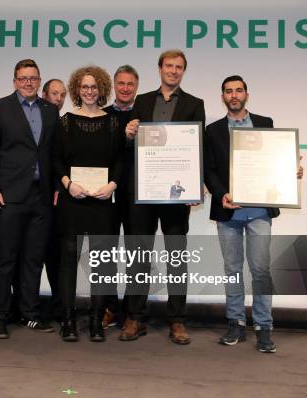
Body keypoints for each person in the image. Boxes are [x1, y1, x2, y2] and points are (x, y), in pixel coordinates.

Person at [204, 75, 303, 353]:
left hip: (259, 212)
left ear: (247, 94)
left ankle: (263, 325)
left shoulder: (265, 123)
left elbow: (276, 161)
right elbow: (208, 170)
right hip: (228, 214)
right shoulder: (212, 131)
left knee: (260, 269)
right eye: (228, 91)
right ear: (222, 96)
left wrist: (290, 172)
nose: (234, 95)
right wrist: (222, 193)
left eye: (238, 90)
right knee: (232, 270)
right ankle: (235, 321)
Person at [124, 49, 205, 345]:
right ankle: (135, 317)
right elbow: (131, 143)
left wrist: (196, 186)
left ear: (183, 71)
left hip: (175, 194)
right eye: (169, 66)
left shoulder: (195, 104)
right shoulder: (142, 101)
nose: (173, 71)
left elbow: (197, 147)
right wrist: (130, 134)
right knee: (138, 257)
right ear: (159, 69)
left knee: (176, 257)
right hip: (144, 192)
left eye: (179, 67)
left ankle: (177, 321)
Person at [0, 59, 59, 338]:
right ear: (15, 81)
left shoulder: (50, 111)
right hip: (8, 195)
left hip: (41, 196)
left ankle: (30, 313)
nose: (28, 83)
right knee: (5, 259)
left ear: (40, 81)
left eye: (33, 78)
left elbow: (54, 154)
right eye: (23, 78)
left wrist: (57, 188)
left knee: (33, 259)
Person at [53, 65, 123, 342]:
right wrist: (69, 184)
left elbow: (119, 160)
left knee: (101, 264)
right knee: (68, 260)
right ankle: (68, 320)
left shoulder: (113, 122)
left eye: (94, 87)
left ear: (102, 89)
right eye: (84, 87)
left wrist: (113, 185)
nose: (90, 91)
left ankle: (95, 320)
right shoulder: (65, 121)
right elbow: (56, 159)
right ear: (77, 90)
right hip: (73, 200)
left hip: (102, 200)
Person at [102, 64, 139, 329]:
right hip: (108, 195)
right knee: (106, 252)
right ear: (114, 86)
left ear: (136, 87)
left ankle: (132, 311)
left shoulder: (144, 115)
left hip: (139, 196)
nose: (125, 88)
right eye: (121, 83)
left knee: (137, 253)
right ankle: (109, 307)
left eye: (130, 84)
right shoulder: (102, 116)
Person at [41, 78, 68, 322]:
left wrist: (61, 185)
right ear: (43, 94)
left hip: (57, 200)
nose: (58, 99)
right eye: (54, 94)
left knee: (56, 255)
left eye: (62, 95)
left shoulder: (64, 123)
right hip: (32, 197)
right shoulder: (34, 120)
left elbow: (62, 161)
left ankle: (60, 306)